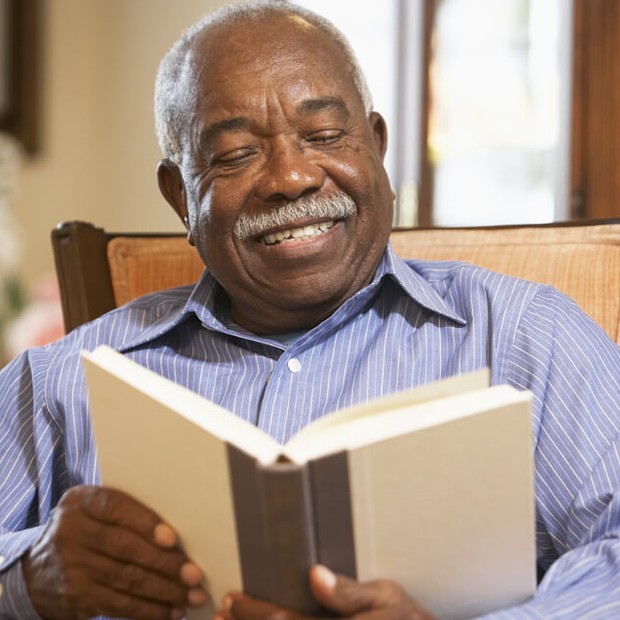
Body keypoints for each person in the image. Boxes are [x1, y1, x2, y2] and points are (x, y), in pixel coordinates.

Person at [1, 1, 619, 618]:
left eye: (324, 136)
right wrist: (29, 576)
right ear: (179, 197)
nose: (291, 178)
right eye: (237, 153)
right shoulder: (60, 380)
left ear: (375, 147)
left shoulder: (529, 338)